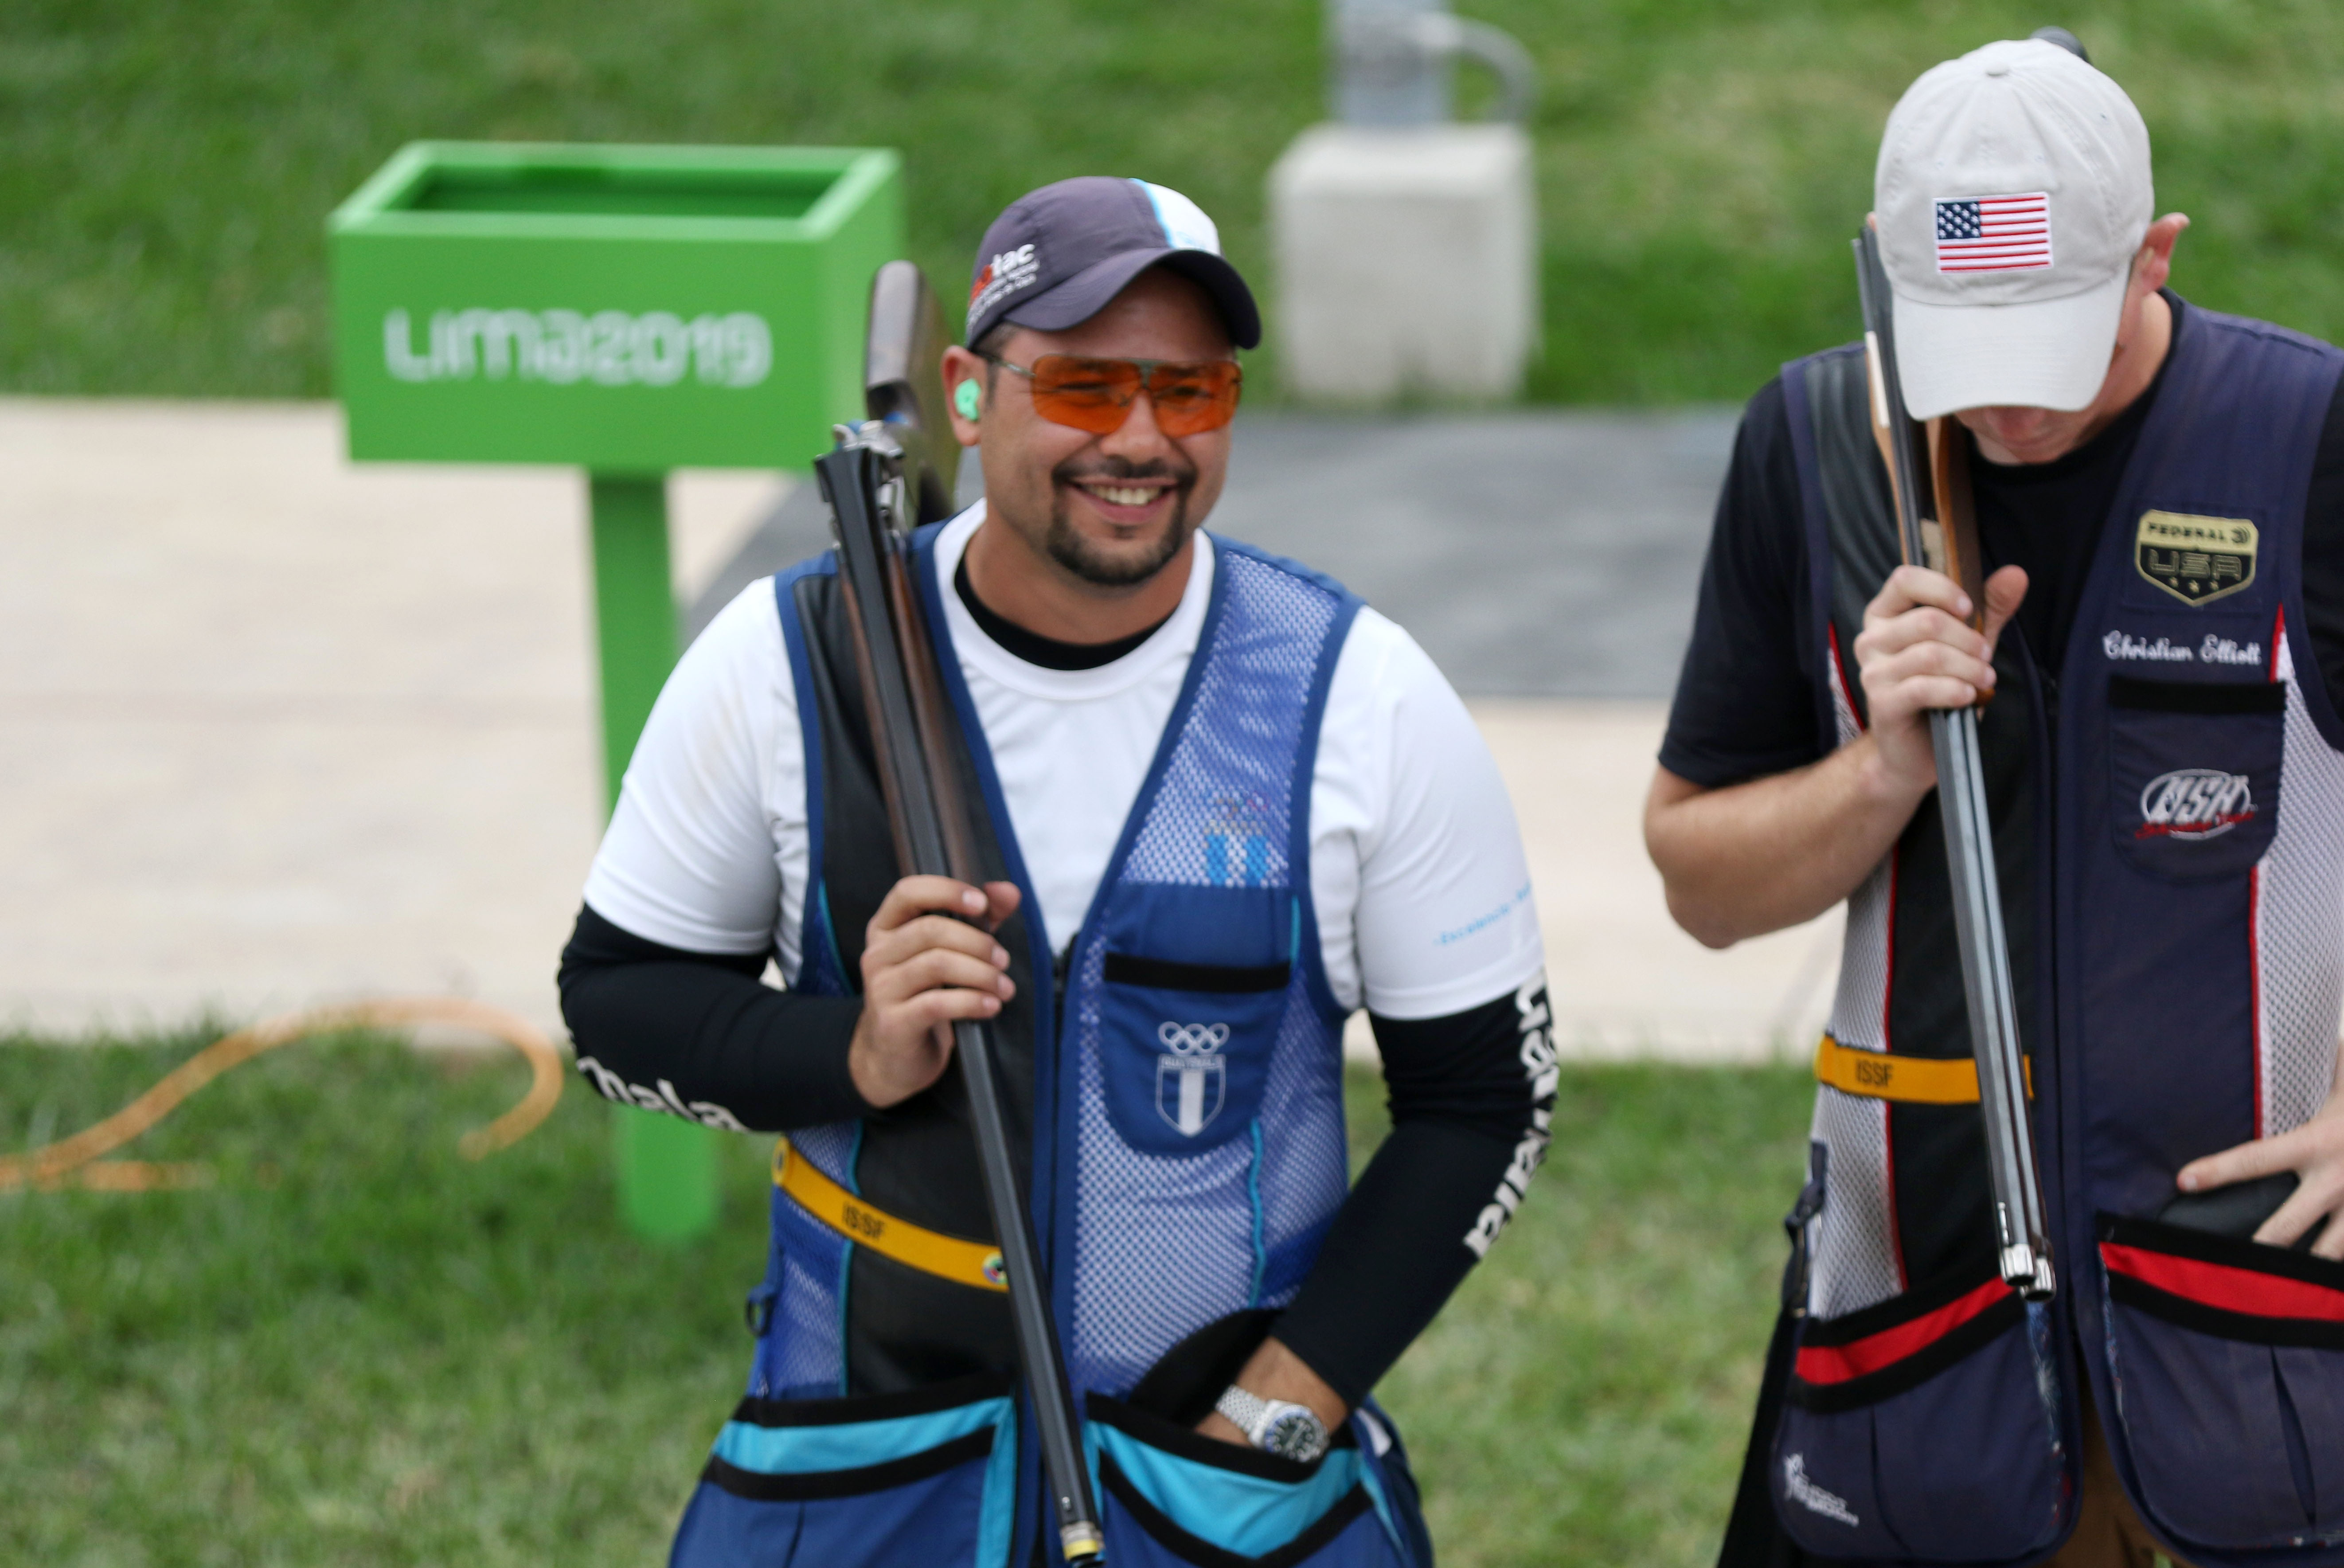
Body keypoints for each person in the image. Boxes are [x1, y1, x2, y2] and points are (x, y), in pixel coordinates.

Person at [559, 176, 1554, 1568]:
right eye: (1086, 387)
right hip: (866, 1471)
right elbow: (614, 1008)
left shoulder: (1357, 694)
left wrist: (1285, 1408)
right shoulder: (786, 663)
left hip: (1221, 1489)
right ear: (968, 392)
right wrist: (851, 1046)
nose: (1142, 439)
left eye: (1192, 392)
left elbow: (1487, 1099)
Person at [1644, 36, 2344, 1568]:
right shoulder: (1819, 444)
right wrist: (1883, 762)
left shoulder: (2313, 435)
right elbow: (1700, 880)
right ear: (1892, 270)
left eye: (2055, 344)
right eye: (1970, 348)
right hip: (1924, 1313)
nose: (2010, 410)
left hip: (2263, 1328)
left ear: (2154, 256)